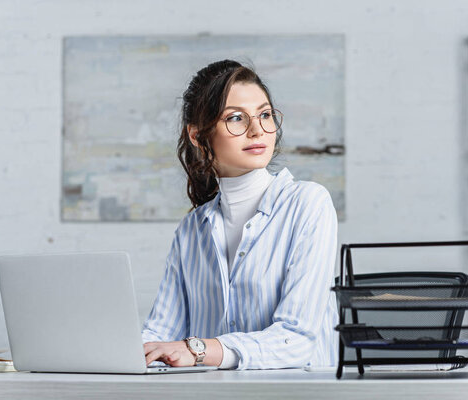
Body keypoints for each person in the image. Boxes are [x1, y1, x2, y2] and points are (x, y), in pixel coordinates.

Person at [142, 59, 338, 370]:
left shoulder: (308, 204)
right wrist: (128, 351)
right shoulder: (192, 229)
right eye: (236, 118)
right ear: (197, 135)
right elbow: (161, 332)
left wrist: (198, 349)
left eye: (265, 114)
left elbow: (297, 339)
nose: (257, 129)